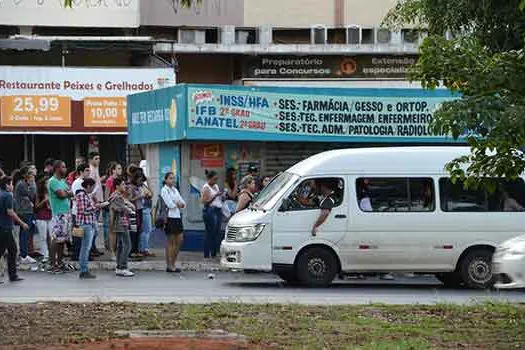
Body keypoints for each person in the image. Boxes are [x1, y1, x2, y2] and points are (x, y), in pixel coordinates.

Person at [48, 160, 74, 274]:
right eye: (63, 167)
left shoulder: (62, 181)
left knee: (63, 239)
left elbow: (70, 192)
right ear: (57, 168)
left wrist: (67, 193)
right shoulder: (53, 181)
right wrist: (67, 193)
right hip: (58, 213)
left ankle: (60, 262)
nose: (65, 169)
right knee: (56, 239)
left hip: (66, 213)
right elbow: (62, 194)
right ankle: (52, 264)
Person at [0, 176, 27, 283]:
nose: (12, 186)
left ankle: (13, 275)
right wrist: (22, 223)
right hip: (5, 227)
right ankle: (13, 275)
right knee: (8, 250)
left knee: (11, 250)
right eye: (11, 184)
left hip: (3, 227)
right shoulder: (7, 195)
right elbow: (10, 212)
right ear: (7, 185)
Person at [161, 172, 186, 272]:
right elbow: (170, 204)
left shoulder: (175, 190)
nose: (173, 180)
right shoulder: (164, 190)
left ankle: (173, 262)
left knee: (179, 240)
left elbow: (183, 202)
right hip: (169, 217)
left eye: (173, 178)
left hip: (177, 216)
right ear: (166, 180)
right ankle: (169, 265)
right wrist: (177, 203)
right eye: (170, 178)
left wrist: (178, 203)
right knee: (170, 242)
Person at [109, 177, 135, 277]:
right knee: (127, 245)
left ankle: (119, 267)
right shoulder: (116, 196)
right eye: (123, 184)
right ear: (117, 186)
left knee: (121, 245)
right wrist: (129, 209)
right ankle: (123, 267)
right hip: (120, 223)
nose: (125, 186)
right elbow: (119, 208)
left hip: (121, 222)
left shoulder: (118, 196)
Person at [75, 178, 99, 279]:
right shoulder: (81, 195)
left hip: (89, 223)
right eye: (92, 187)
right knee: (85, 248)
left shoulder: (85, 195)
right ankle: (83, 270)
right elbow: (83, 210)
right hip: (85, 224)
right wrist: (96, 207)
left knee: (86, 248)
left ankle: (84, 269)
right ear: (88, 186)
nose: (93, 189)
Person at [14, 167, 37, 264]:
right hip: (24, 211)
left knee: (26, 234)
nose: (32, 175)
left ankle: (24, 254)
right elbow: (32, 194)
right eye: (30, 173)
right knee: (24, 233)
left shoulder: (24, 183)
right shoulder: (22, 184)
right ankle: (24, 255)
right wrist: (33, 183)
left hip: (27, 211)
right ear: (24, 175)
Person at [70, 164, 92, 261]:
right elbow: (76, 197)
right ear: (81, 172)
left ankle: (84, 254)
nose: (88, 172)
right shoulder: (77, 183)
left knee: (84, 236)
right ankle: (76, 254)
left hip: (85, 212)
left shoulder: (85, 182)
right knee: (78, 234)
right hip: (78, 212)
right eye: (86, 170)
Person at [201, 170, 223, 259]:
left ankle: (213, 253)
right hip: (210, 210)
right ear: (209, 178)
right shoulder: (206, 188)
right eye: (214, 179)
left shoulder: (216, 186)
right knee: (209, 232)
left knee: (216, 233)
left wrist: (221, 196)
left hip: (218, 210)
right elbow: (204, 202)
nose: (215, 181)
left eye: (217, 179)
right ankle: (207, 254)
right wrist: (215, 196)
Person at [104, 161, 122, 260]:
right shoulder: (110, 180)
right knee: (112, 231)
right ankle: (112, 252)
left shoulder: (120, 180)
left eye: (121, 168)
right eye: (118, 168)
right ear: (113, 170)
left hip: (120, 207)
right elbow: (107, 196)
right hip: (112, 208)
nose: (120, 170)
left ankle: (118, 251)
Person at [87, 152, 104, 257]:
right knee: (93, 228)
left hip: (98, 201)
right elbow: (91, 189)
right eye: (96, 158)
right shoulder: (91, 171)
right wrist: (96, 201)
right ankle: (91, 248)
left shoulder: (95, 170)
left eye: (99, 158)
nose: (98, 160)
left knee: (95, 227)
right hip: (94, 202)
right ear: (91, 160)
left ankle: (93, 247)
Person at [34, 177, 51, 264]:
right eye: (47, 183)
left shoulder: (52, 192)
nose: (48, 184)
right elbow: (36, 207)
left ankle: (52, 254)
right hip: (41, 216)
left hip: (51, 215)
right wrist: (44, 200)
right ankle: (45, 255)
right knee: (43, 237)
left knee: (51, 236)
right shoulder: (39, 193)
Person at [128, 172, 145, 258]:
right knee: (134, 230)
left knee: (139, 230)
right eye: (139, 180)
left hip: (140, 209)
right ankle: (132, 250)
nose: (141, 181)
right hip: (134, 210)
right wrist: (139, 197)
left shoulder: (140, 187)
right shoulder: (132, 188)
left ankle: (136, 249)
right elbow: (129, 199)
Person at [139, 173, 154, 257]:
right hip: (144, 209)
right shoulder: (139, 187)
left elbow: (151, 193)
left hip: (147, 209)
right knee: (146, 230)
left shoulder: (144, 185)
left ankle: (144, 247)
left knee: (147, 230)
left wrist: (148, 183)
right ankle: (144, 248)